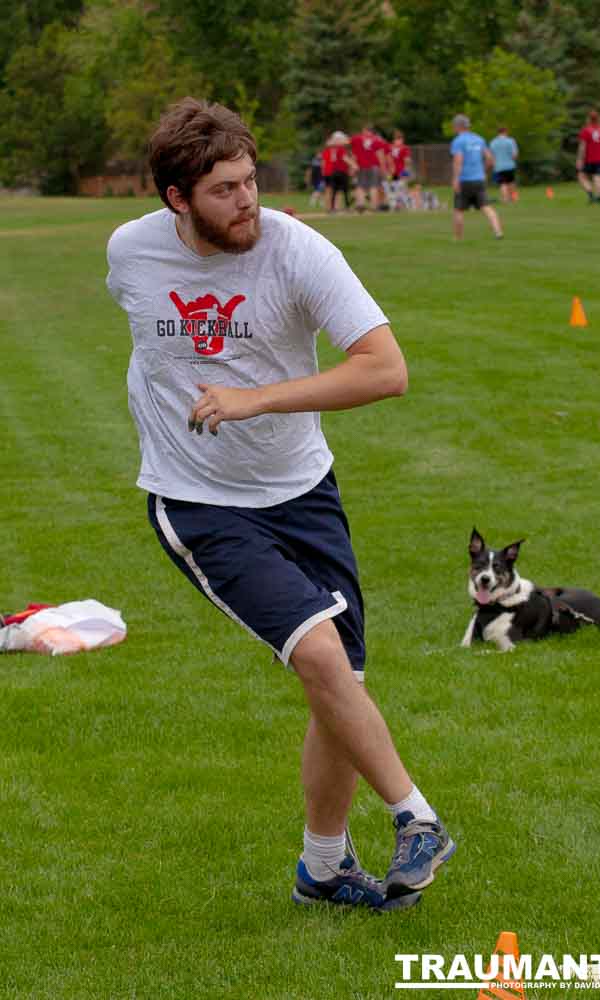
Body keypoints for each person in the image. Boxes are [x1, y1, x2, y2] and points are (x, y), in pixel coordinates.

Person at [106, 97, 455, 913]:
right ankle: (416, 817)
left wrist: (254, 399)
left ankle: (322, 868)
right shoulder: (130, 251)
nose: (247, 202)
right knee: (322, 659)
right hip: (198, 500)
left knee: (342, 687)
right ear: (176, 199)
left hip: (304, 491)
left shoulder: (298, 250)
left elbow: (385, 370)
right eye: (223, 190)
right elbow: (148, 349)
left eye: (250, 181)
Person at [450, 114, 503, 240]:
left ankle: (458, 238)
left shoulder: (458, 141)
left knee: (458, 210)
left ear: (458, 126)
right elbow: (490, 159)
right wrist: (483, 171)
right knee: (486, 206)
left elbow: (458, 160)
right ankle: (498, 232)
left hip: (464, 180)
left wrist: (456, 178)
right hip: (479, 179)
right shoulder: (479, 139)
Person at [577, 110, 600, 203]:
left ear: (589, 119)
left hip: (588, 159)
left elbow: (582, 146)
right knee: (598, 177)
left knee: (581, 176)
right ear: (599, 119)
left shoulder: (585, 130)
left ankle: (591, 194)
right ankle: (599, 197)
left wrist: (580, 159)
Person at [350, 124, 388, 212]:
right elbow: (380, 155)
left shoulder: (357, 139)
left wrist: (352, 166)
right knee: (374, 186)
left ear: (364, 130)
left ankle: (360, 204)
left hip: (361, 166)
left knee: (360, 186)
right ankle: (373, 206)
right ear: (372, 131)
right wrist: (383, 169)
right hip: (374, 166)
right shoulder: (377, 140)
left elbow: (353, 153)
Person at [320, 131, 357, 213]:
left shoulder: (327, 150)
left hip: (328, 172)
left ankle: (329, 207)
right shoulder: (340, 149)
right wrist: (354, 165)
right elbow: (345, 159)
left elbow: (323, 162)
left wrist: (322, 172)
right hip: (336, 172)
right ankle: (336, 207)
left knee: (330, 190)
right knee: (338, 191)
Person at [489, 127, 519, 203]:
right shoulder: (510, 141)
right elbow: (514, 155)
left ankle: (505, 199)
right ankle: (513, 198)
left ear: (498, 132)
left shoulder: (493, 142)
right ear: (505, 132)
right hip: (509, 165)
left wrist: (493, 164)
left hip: (498, 166)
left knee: (502, 183)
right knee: (511, 182)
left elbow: (491, 155)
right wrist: (513, 160)